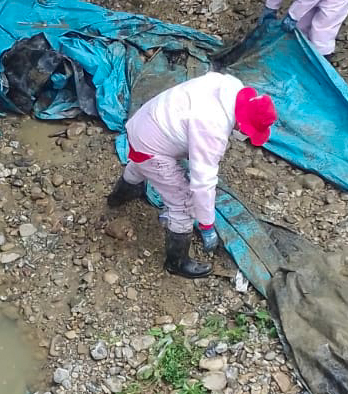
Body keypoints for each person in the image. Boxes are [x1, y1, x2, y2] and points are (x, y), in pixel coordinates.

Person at [106, 73, 277, 279]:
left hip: (144, 122)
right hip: (152, 147)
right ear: (242, 124)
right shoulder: (212, 128)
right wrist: (206, 223)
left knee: (140, 165)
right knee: (183, 204)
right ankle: (177, 262)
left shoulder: (229, 86)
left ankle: (118, 197)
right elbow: (202, 183)